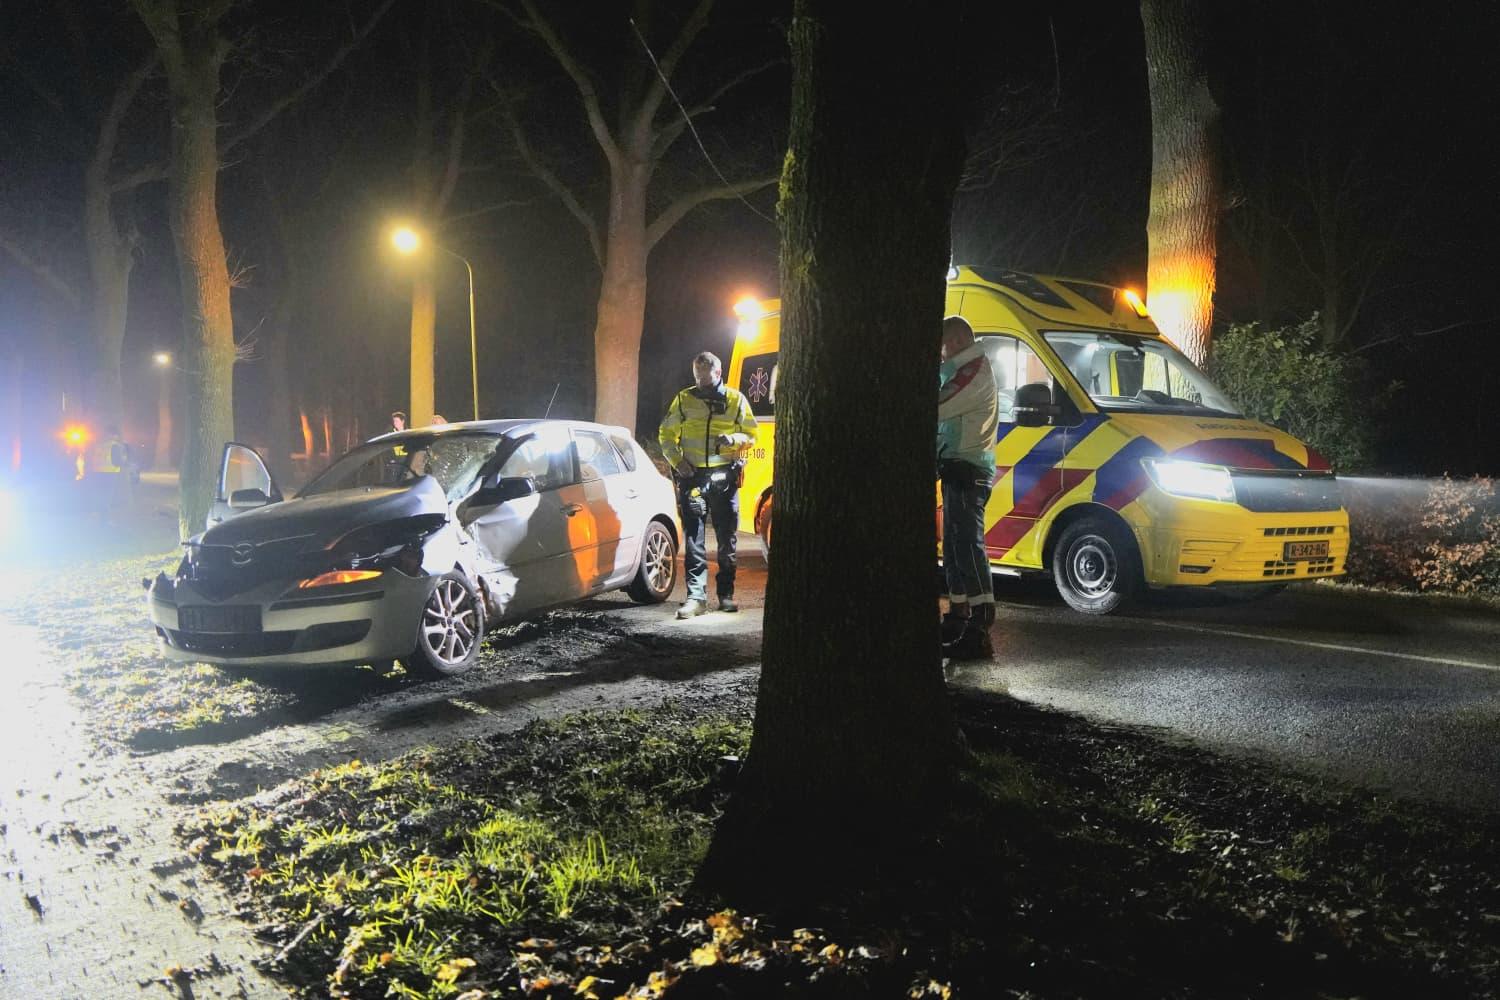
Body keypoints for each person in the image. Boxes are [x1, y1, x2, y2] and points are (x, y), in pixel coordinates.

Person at [658, 351, 758, 618]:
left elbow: (752, 434)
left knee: (727, 539)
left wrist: (733, 440)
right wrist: (678, 462)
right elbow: (666, 433)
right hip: (693, 476)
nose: (700, 381)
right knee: (694, 538)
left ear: (718, 373)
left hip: (725, 477)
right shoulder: (685, 399)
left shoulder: (736, 399)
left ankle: (726, 595)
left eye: (705, 375)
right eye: (696, 375)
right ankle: (696, 597)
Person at [937, 316, 999, 660]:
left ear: (957, 341)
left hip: (969, 469)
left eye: (943, 347)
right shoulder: (965, 368)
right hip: (957, 466)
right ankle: (959, 615)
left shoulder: (972, 371)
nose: (941, 355)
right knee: (956, 545)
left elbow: (939, 406)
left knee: (968, 545)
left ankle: (980, 621)